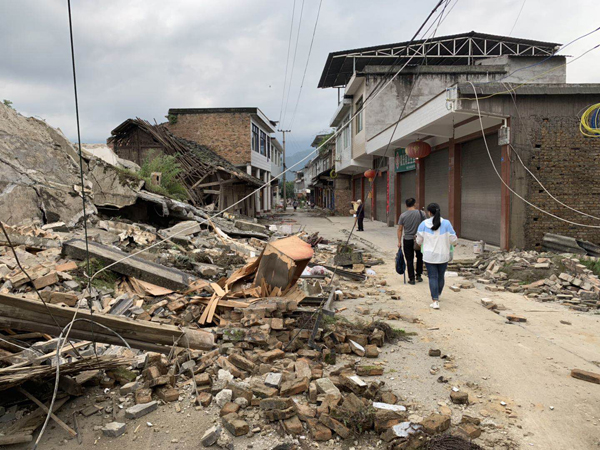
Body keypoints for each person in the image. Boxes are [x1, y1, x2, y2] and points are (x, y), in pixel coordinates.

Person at [416, 203, 458, 310]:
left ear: (429, 212)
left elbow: (419, 240)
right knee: (440, 276)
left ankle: (435, 300)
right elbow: (453, 239)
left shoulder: (423, 224)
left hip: (429, 256)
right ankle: (438, 294)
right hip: (443, 255)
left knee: (433, 277)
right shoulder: (447, 223)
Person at [397, 198, 425, 285]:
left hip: (407, 240)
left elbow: (400, 229)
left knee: (409, 259)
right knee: (420, 257)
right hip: (419, 240)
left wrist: (399, 241)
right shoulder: (421, 213)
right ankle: (419, 275)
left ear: (406, 205)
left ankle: (411, 278)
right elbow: (425, 226)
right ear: (415, 204)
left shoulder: (403, 216)